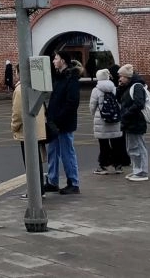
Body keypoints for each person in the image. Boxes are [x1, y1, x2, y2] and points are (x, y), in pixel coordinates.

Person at [43, 52, 83, 195]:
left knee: (67, 153)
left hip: (64, 123)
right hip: (54, 122)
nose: (53, 61)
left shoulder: (71, 79)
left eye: (56, 58)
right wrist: (49, 116)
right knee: (52, 152)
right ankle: (52, 181)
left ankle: (73, 182)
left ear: (63, 61)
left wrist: (58, 118)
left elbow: (72, 103)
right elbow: (55, 99)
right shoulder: (59, 77)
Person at [10, 68, 47, 198]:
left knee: (30, 163)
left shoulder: (20, 89)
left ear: (19, 73)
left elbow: (17, 113)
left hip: (27, 131)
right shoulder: (36, 85)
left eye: (16, 72)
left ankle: (34, 192)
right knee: (36, 162)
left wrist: (14, 127)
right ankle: (40, 190)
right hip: (38, 129)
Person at [117, 64, 150, 182]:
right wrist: (120, 87)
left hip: (136, 121)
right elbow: (119, 98)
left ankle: (142, 172)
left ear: (127, 76)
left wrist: (126, 113)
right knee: (132, 148)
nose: (120, 78)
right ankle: (137, 169)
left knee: (139, 147)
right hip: (129, 122)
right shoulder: (128, 86)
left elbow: (139, 104)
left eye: (121, 76)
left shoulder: (137, 86)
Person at [90, 70, 127, 175]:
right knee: (116, 143)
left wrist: (94, 114)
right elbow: (119, 103)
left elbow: (92, 106)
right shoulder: (114, 88)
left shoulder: (96, 90)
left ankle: (104, 165)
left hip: (101, 120)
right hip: (114, 119)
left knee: (103, 144)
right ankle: (118, 165)